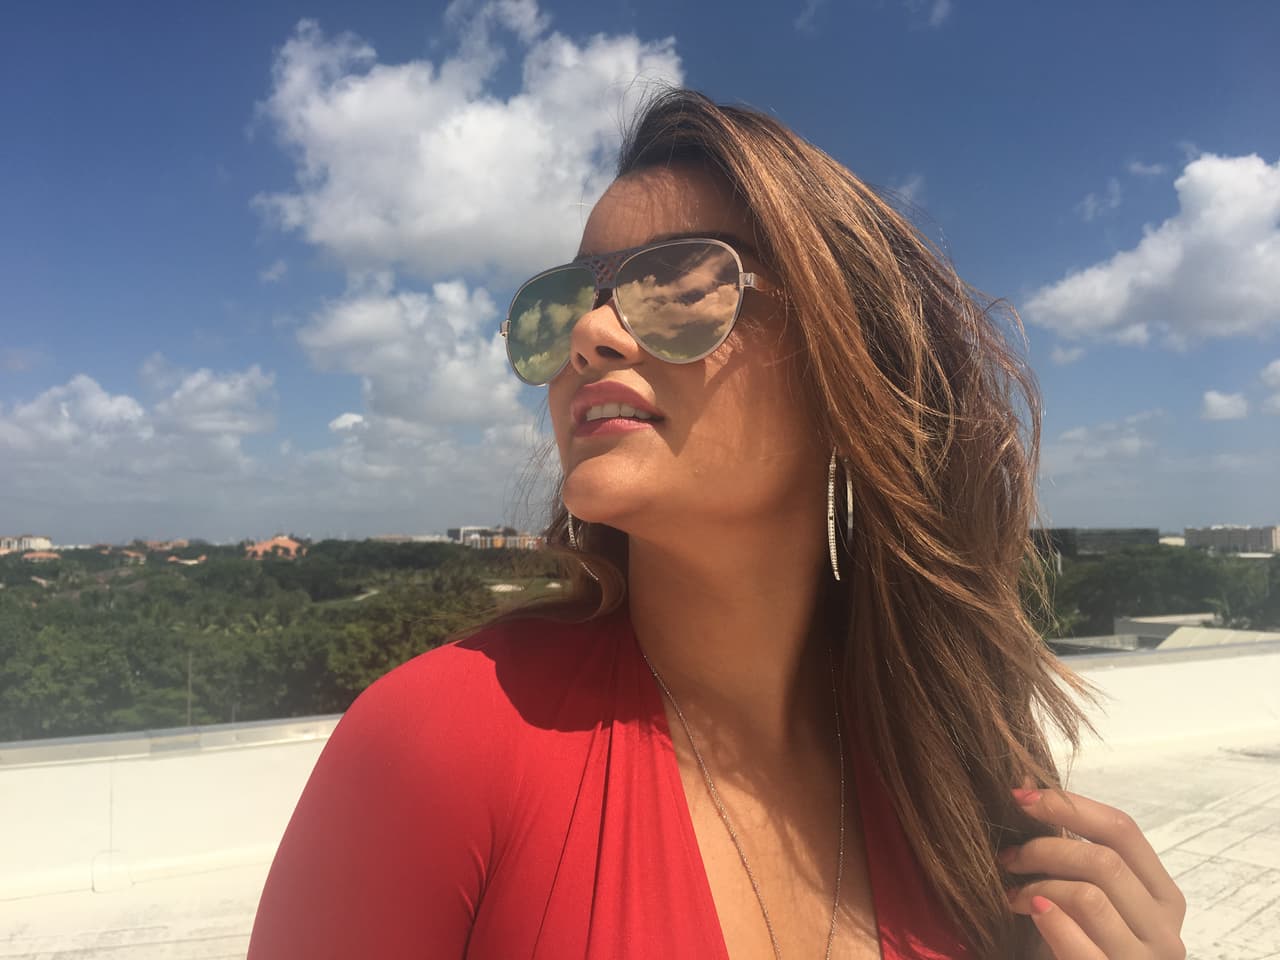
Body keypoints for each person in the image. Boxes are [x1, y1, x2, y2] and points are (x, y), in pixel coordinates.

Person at [247, 89, 1186, 959]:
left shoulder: (952, 768)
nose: (591, 335)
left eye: (683, 286)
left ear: (849, 364)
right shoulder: (436, 742)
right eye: (567, 303)